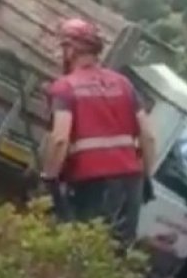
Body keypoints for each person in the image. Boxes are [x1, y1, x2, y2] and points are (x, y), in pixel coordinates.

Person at [40, 18, 157, 250]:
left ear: (71, 50)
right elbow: (149, 136)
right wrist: (146, 176)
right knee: (117, 253)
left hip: (92, 183)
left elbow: (60, 139)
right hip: (130, 181)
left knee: (81, 249)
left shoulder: (65, 87)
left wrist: (49, 177)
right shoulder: (124, 84)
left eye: (63, 47)